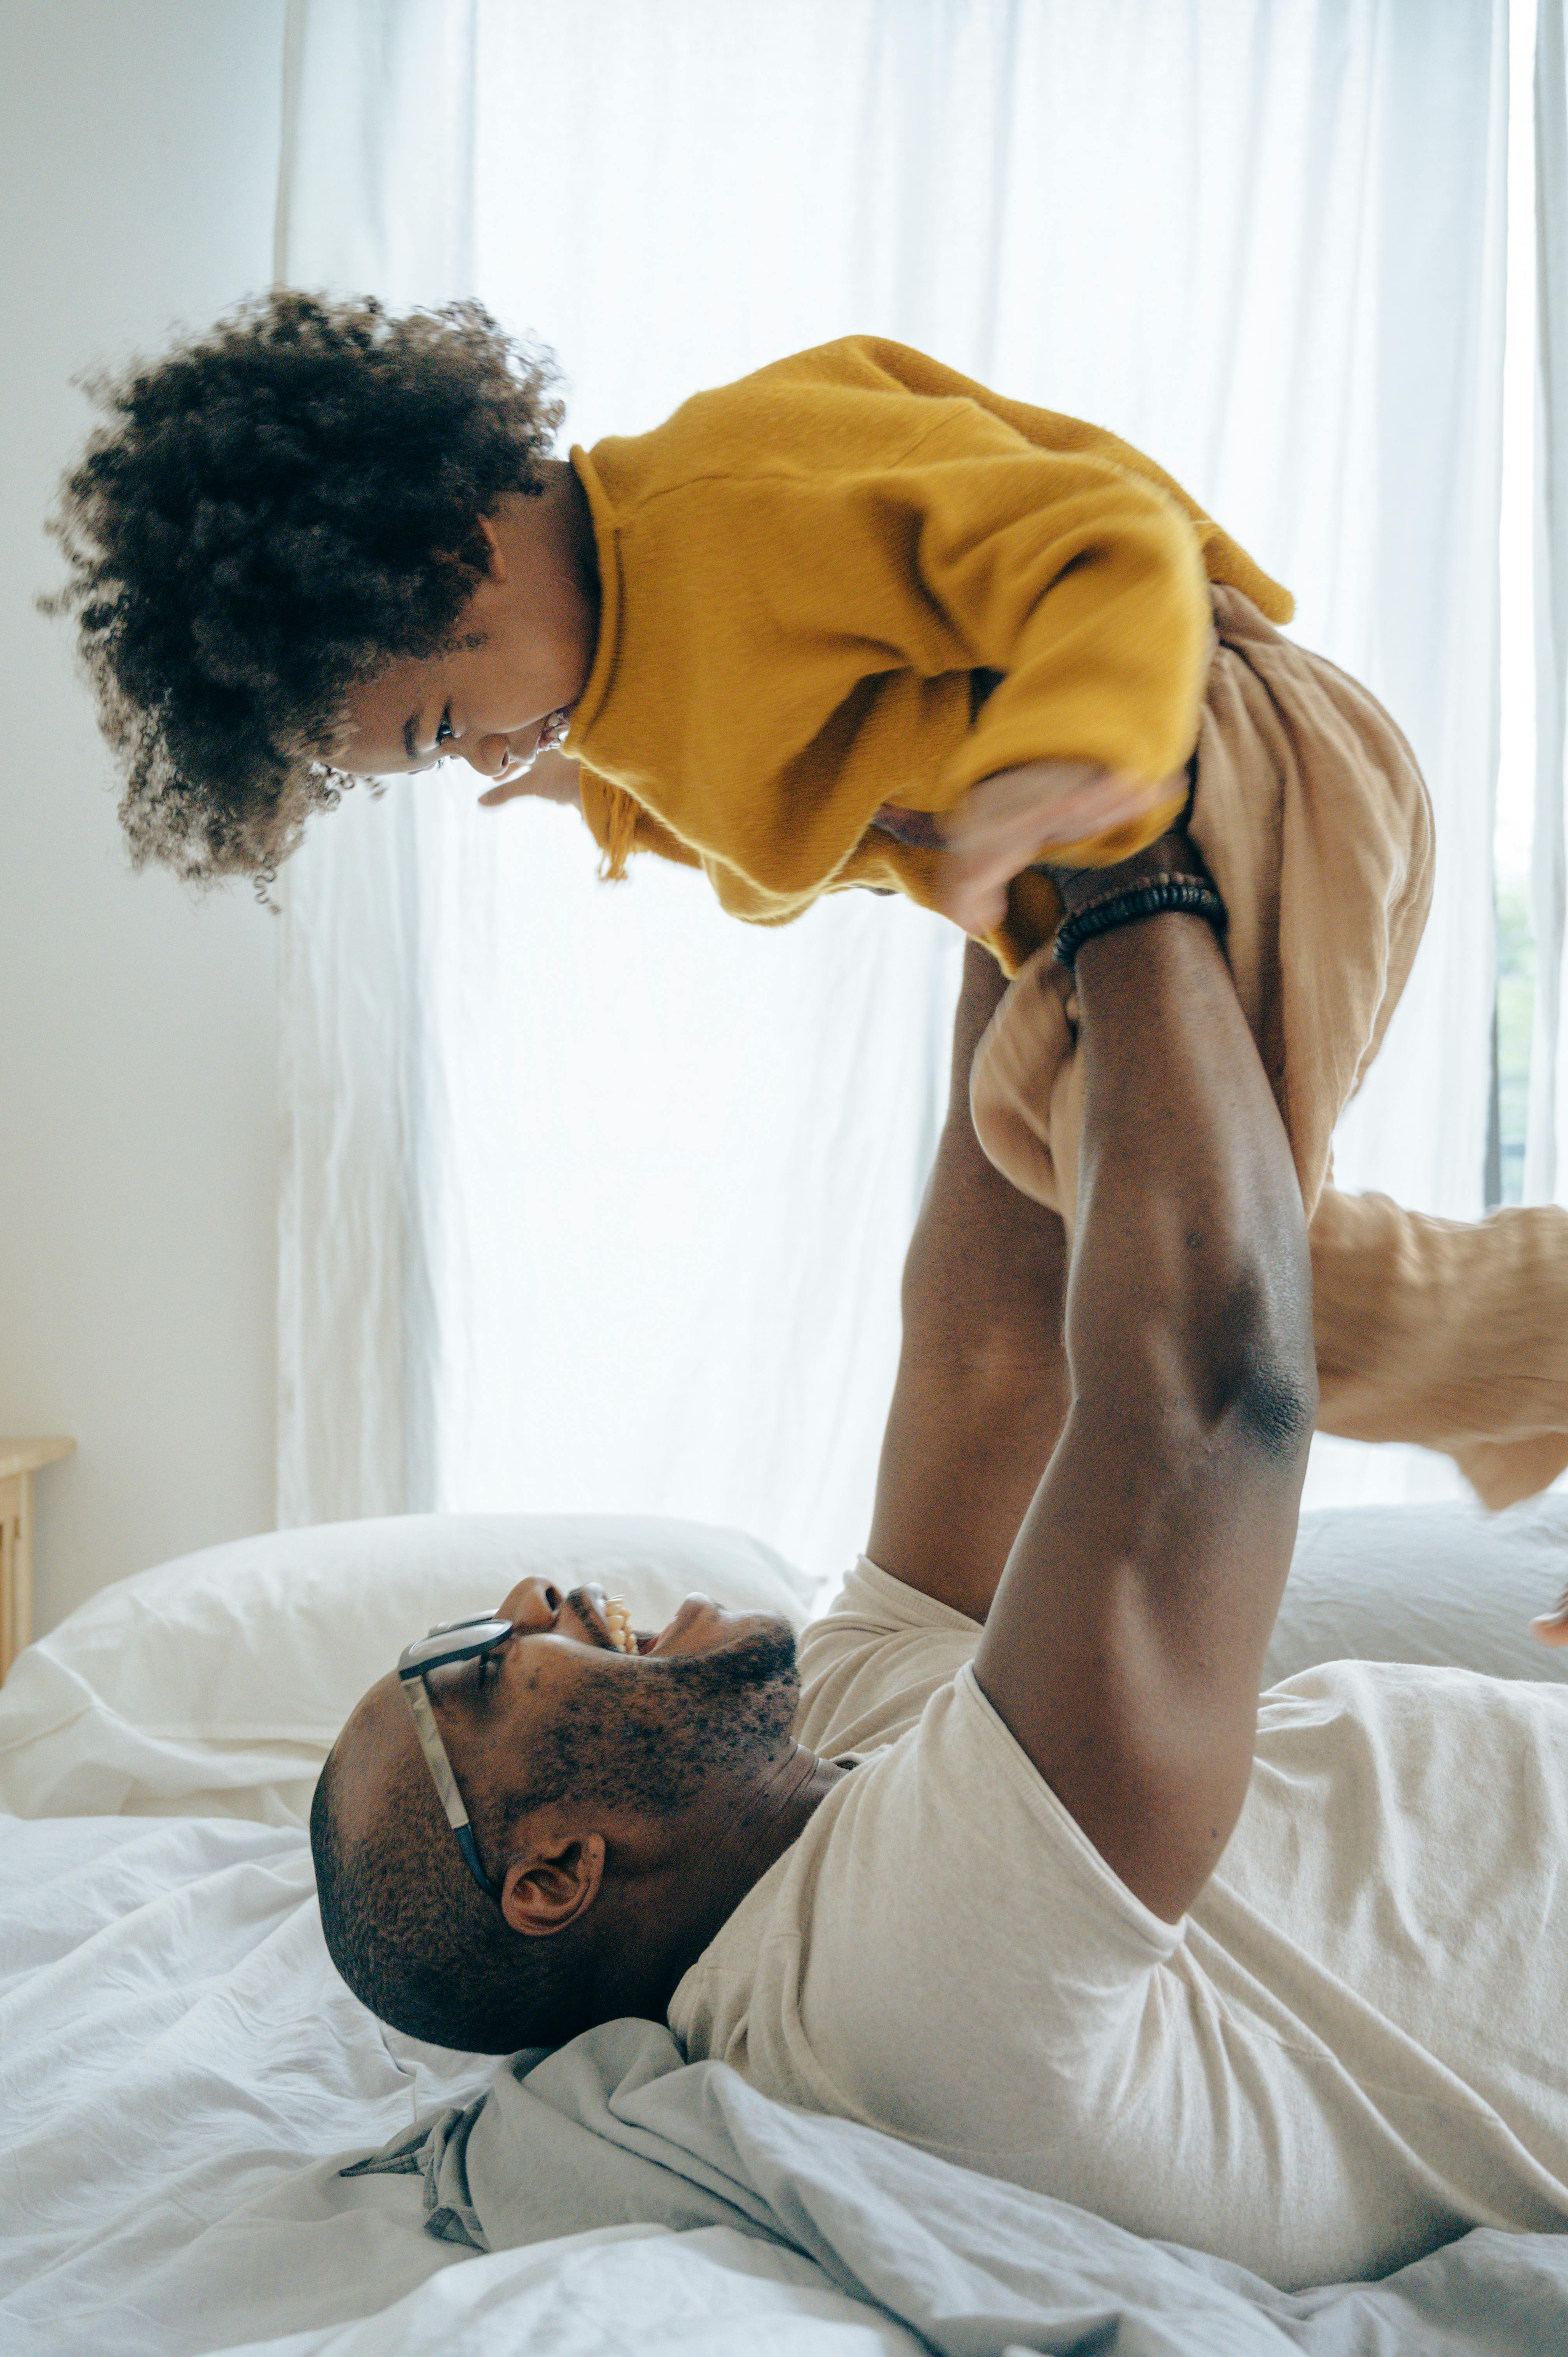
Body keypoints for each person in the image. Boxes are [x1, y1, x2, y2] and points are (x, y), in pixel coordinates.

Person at [48, 290, 1568, 1509]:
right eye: (431, 765)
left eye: (444, 726)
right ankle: (1536, 1373)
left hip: (1218, 753)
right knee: (1152, 1247)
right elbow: (782, 775)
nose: (485, 758)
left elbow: (1098, 543)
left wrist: (1066, 752)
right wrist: (607, 795)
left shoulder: (734, 488)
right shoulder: (624, 672)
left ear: (452, 543)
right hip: (1134, 829)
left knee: (1189, 1269)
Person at [313, 844, 1568, 2290]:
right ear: (553, 1875)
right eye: (471, 1668)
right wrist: (1125, 857)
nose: (537, 1598)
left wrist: (996, 824)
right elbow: (1216, 1398)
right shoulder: (887, 1984)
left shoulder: (813, 1765)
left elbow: (989, 1359)